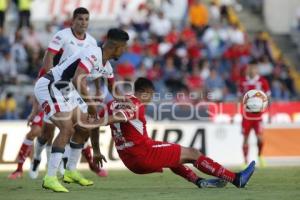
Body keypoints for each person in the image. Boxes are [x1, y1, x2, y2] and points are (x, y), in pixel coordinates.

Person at [95, 77, 255, 189]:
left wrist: (96, 150)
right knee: (192, 153)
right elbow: (117, 118)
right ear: (145, 92)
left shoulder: (113, 103)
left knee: (173, 156)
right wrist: (92, 123)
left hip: (129, 159)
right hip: (142, 154)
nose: (150, 100)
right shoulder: (135, 104)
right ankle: (236, 179)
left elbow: (100, 123)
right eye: (150, 96)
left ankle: (199, 181)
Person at [34, 28, 129, 193]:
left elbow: (114, 90)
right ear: (117, 46)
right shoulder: (93, 53)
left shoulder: (106, 66)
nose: (125, 50)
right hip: (51, 86)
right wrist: (91, 104)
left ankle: (70, 171)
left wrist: (131, 104)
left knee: (85, 126)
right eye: (124, 47)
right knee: (66, 128)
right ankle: (50, 177)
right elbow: (78, 79)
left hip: (67, 89)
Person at [28, 7, 107, 179]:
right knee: (48, 131)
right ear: (73, 20)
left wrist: (98, 89)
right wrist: (51, 77)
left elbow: (95, 67)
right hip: (57, 85)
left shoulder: (92, 42)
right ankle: (36, 158)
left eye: (86, 19)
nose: (83, 22)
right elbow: (49, 57)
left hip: (74, 88)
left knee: (81, 125)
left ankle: (66, 168)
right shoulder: (62, 36)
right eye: (80, 19)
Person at [238, 60, 271, 167]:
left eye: (254, 68)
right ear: (248, 69)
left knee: (260, 137)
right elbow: (239, 97)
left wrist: (269, 113)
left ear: (257, 69)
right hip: (246, 115)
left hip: (258, 115)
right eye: (250, 68)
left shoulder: (262, 81)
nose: (252, 70)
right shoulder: (242, 81)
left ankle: (260, 156)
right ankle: (245, 161)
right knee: (245, 138)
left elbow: (268, 97)